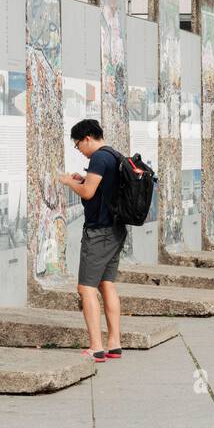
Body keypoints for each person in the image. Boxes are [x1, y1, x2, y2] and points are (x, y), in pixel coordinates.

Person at [60, 119, 125, 363]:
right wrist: (82, 179)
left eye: (78, 145)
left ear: (87, 138)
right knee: (106, 284)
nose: (79, 150)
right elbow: (98, 188)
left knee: (86, 287)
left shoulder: (98, 158)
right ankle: (114, 343)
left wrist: (69, 182)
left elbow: (87, 193)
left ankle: (96, 347)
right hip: (116, 229)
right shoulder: (115, 155)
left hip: (99, 231)